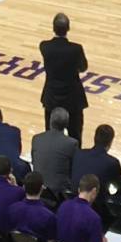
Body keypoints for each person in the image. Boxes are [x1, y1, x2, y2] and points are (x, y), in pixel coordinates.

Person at [39, 16, 87, 148]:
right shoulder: (76, 49)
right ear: (68, 29)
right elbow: (83, 68)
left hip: (52, 97)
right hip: (72, 98)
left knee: (51, 135)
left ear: (53, 28)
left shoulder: (44, 46)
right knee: (75, 137)